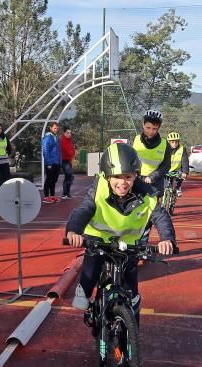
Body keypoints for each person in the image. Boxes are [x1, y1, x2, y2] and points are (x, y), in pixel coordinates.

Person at [65, 143, 176, 315]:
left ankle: (131, 333)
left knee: (131, 283)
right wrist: (74, 231)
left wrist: (166, 238)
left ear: (135, 176)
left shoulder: (146, 193)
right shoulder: (99, 190)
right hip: (99, 238)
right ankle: (85, 291)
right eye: (116, 176)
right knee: (92, 266)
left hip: (128, 243)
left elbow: (160, 215)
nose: (122, 182)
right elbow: (84, 209)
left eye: (128, 177)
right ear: (107, 176)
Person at [131, 109, 172, 197]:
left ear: (159, 128)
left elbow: (166, 165)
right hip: (136, 180)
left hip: (155, 183)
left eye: (154, 129)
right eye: (148, 128)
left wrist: (152, 177)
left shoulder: (165, 144)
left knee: (154, 209)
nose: (150, 132)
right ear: (143, 125)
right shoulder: (135, 140)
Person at [42, 121, 62, 202]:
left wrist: (60, 162)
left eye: (57, 128)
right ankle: (46, 197)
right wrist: (49, 163)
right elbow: (46, 151)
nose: (56, 129)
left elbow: (59, 151)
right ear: (50, 128)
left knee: (54, 180)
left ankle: (52, 195)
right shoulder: (47, 138)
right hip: (50, 163)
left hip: (57, 163)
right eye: (54, 128)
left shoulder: (56, 137)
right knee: (49, 180)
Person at [165, 132, 189, 196]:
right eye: (172, 142)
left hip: (178, 169)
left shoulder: (182, 149)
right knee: (166, 184)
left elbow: (185, 161)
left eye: (176, 142)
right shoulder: (164, 149)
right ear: (169, 142)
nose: (174, 144)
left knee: (181, 176)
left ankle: (178, 187)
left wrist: (185, 172)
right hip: (167, 169)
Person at [60, 126, 76, 199]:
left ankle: (66, 193)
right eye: (68, 133)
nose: (69, 134)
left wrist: (72, 153)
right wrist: (71, 153)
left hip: (68, 160)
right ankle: (65, 193)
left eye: (70, 133)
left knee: (69, 176)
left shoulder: (70, 140)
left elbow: (72, 149)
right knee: (69, 175)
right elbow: (66, 150)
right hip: (64, 161)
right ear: (64, 133)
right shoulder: (62, 140)